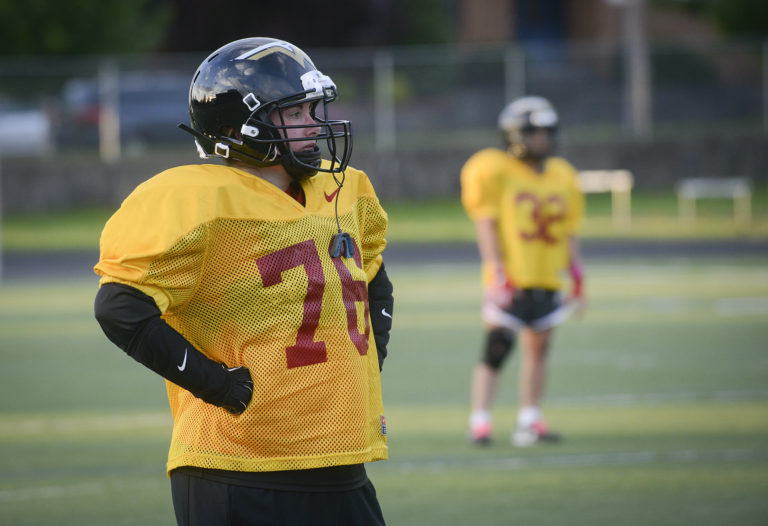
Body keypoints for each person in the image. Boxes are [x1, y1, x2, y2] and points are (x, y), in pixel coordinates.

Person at [93, 37, 394, 525]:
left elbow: (374, 278)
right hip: (236, 465)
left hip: (340, 457)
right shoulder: (195, 200)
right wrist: (216, 384)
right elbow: (119, 307)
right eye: (296, 114)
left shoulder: (344, 190)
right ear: (240, 129)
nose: (315, 125)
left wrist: (371, 351)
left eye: (314, 109)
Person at [460, 95, 585, 447]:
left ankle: (529, 419)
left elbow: (569, 230)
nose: (543, 138)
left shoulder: (563, 174)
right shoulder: (493, 168)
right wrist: (497, 270)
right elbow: (485, 222)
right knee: (497, 347)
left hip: (546, 274)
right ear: (515, 135)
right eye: (535, 131)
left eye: (547, 131)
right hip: (512, 275)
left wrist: (577, 274)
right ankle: (480, 420)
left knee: (539, 349)